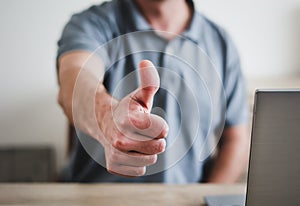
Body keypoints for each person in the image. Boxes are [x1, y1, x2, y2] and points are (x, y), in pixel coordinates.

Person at [57, 0, 250, 183]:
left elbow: (236, 137)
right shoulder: (92, 24)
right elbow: (75, 82)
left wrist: (208, 198)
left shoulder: (220, 43)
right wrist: (108, 120)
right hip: (96, 198)